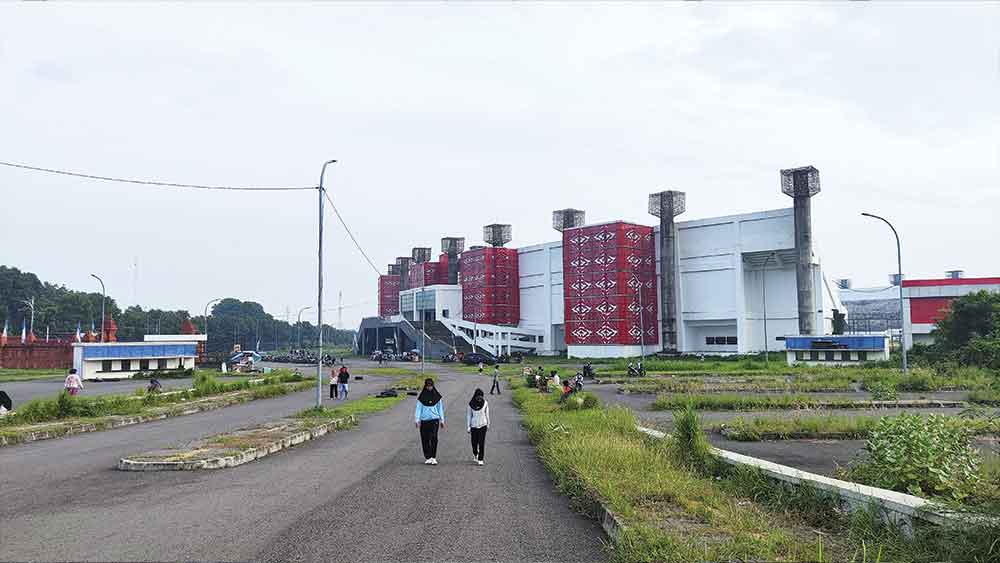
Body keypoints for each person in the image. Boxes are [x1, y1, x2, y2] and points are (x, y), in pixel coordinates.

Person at [415, 378, 444, 465]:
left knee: (434, 437)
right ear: (425, 386)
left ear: (433, 385)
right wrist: (417, 420)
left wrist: (442, 420)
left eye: (431, 386)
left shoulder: (437, 396)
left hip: (434, 419)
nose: (429, 388)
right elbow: (418, 409)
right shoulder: (421, 397)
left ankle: (433, 457)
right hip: (424, 420)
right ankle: (428, 457)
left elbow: (440, 408)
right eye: (428, 386)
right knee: (425, 438)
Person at [466, 388, 490, 465]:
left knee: (481, 443)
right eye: (478, 397)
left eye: (481, 397)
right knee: (474, 443)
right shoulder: (471, 404)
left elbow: (487, 414)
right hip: (473, 426)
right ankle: (475, 453)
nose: (480, 398)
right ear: (475, 396)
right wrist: (468, 426)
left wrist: (488, 424)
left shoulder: (485, 403)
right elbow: (469, 415)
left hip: (483, 425)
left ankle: (480, 459)